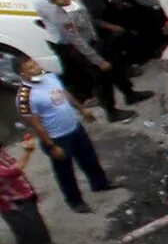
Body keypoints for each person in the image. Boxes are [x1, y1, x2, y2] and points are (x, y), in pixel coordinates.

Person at [17, 57, 112, 212]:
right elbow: (36, 126)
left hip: (74, 127)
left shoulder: (49, 77)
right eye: (29, 68)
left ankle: (100, 184)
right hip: (56, 138)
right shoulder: (24, 97)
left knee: (90, 158)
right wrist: (51, 146)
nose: (35, 68)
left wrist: (82, 109)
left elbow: (65, 94)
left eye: (34, 64)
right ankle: (75, 201)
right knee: (65, 172)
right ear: (22, 74)